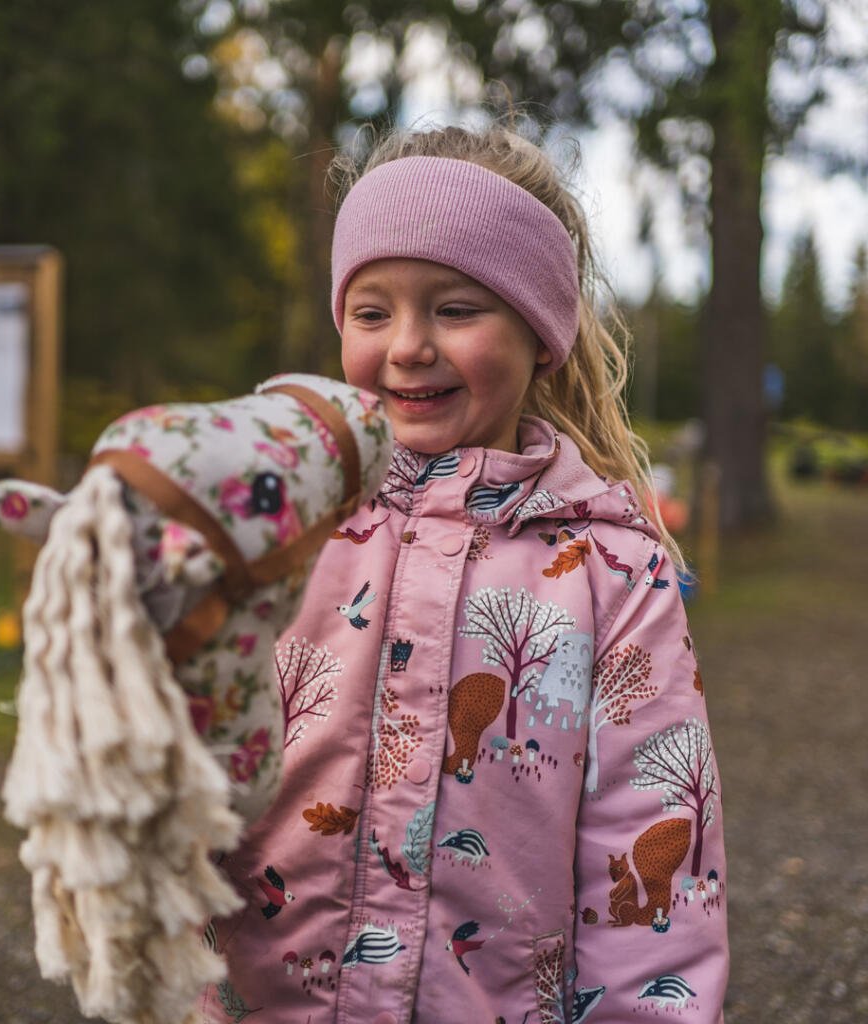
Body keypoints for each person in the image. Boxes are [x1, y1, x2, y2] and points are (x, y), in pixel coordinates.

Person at [200, 124, 728, 1023]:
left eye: (454, 310)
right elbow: (184, 763)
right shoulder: (282, 530)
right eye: (372, 313)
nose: (408, 345)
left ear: (541, 334)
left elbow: (652, 850)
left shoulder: (610, 570)